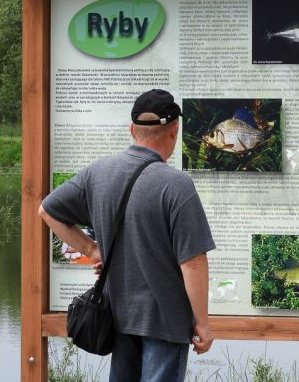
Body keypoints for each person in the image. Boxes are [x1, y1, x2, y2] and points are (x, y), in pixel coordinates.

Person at [38, 89, 215, 381]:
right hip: (165, 322)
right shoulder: (176, 185)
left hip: (118, 315)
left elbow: (47, 210)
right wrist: (203, 325)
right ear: (174, 130)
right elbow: (192, 263)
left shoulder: (98, 173)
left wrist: (92, 250)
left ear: (132, 130)